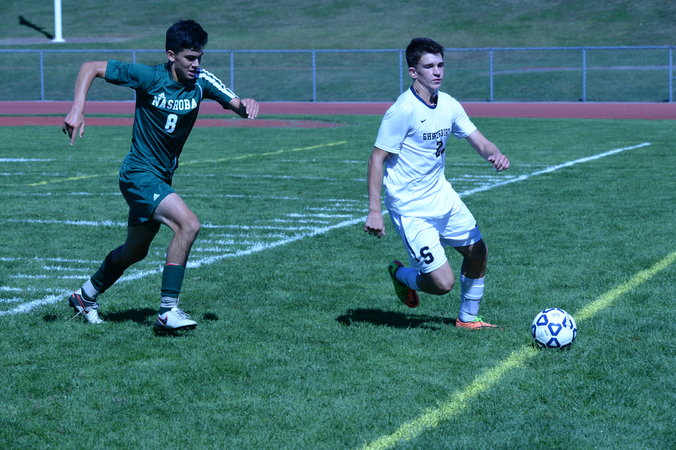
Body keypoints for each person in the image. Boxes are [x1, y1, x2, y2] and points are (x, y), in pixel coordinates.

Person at [62, 20, 259, 331]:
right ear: (171, 55)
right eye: (189, 58)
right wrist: (78, 109)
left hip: (160, 177)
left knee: (135, 250)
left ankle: (84, 296)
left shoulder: (202, 82)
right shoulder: (149, 77)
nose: (196, 64)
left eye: (199, 57)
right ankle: (168, 311)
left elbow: (238, 106)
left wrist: (247, 104)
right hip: (138, 174)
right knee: (188, 224)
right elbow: (91, 67)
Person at [364, 37, 510, 329]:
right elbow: (377, 159)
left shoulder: (449, 104)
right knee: (442, 284)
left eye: (440, 65)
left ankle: (467, 319)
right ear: (413, 72)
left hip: (442, 196)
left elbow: (479, 141)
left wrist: (494, 154)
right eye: (429, 66)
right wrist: (375, 211)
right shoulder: (402, 110)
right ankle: (400, 274)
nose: (437, 71)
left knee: (478, 251)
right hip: (411, 208)